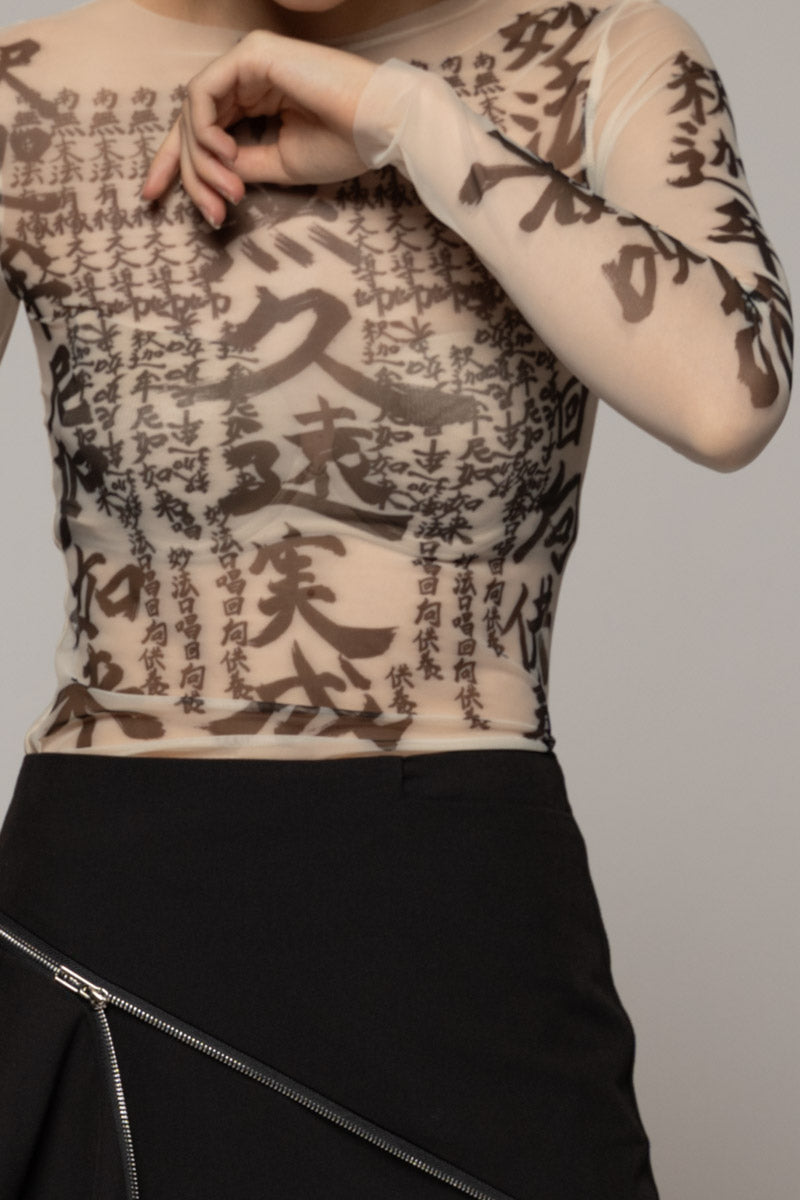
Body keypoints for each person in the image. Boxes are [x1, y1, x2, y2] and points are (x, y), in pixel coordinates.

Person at [0, 0, 791, 1197]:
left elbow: (727, 397)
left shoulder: (601, 50)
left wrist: (413, 123)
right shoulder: (30, 87)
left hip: (462, 896)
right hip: (107, 909)